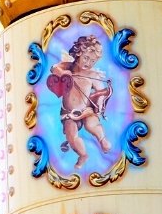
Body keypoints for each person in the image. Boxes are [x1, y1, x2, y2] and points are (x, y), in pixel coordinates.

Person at [46, 35, 114, 168]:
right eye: (86, 58)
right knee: (71, 136)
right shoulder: (69, 66)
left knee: (92, 124)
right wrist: (63, 73)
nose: (88, 63)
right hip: (69, 113)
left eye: (93, 61)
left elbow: (101, 92)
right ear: (78, 53)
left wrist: (99, 103)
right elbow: (54, 68)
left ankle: (102, 139)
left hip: (86, 110)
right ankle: (83, 155)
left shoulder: (93, 75)